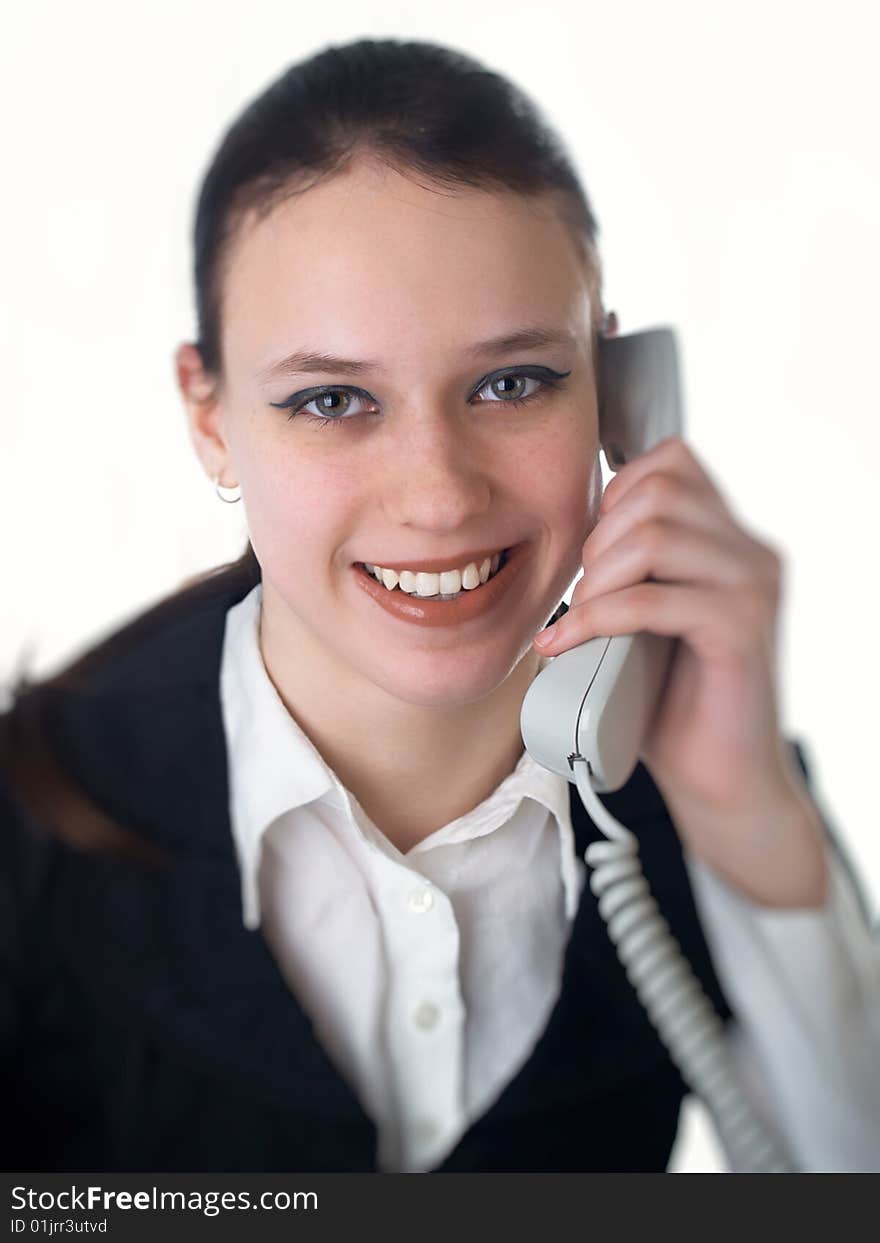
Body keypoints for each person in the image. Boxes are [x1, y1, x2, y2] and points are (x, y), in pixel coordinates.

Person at [1, 36, 879, 1175]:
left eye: (512, 382)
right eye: (331, 398)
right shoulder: (36, 812)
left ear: (616, 395)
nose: (438, 495)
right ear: (210, 416)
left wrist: (746, 815)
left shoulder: (707, 796)